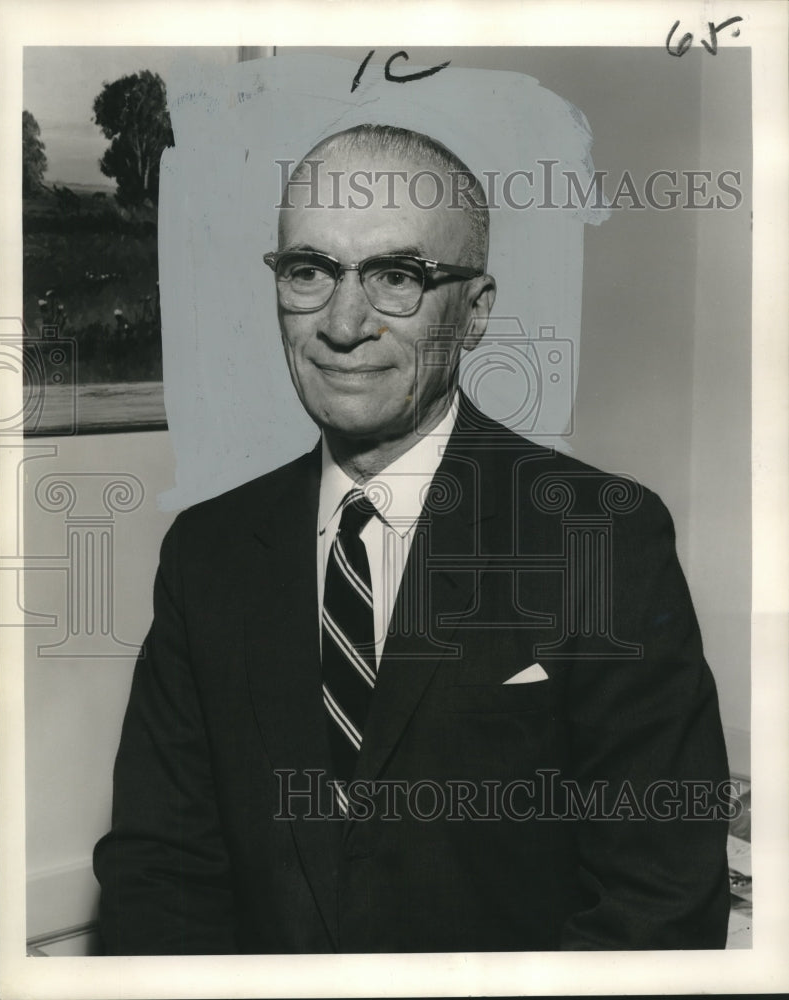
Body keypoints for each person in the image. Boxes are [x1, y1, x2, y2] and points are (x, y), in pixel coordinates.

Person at [93, 123, 731, 954]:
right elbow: (161, 875)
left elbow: (661, 904)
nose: (343, 322)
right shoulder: (206, 552)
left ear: (474, 313)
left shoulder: (600, 539)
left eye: (398, 276)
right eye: (310, 271)